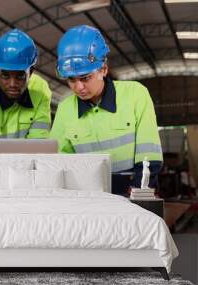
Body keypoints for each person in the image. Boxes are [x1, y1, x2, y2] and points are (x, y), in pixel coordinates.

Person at [50, 25, 163, 195]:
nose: (79, 87)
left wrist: (139, 193)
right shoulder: (65, 109)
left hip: (132, 190)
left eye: (85, 78)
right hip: (87, 196)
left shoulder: (135, 94)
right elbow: (57, 160)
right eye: (71, 80)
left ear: (103, 69)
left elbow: (149, 154)